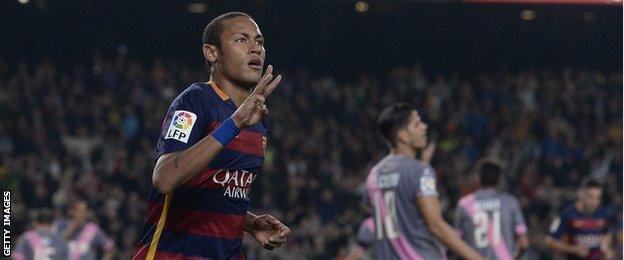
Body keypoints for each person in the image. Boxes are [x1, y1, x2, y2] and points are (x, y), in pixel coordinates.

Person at [132, 12, 290, 259]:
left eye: (259, 41)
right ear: (212, 52)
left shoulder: (258, 120)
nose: (255, 49)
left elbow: (215, 190)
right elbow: (164, 178)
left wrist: (248, 222)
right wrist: (234, 124)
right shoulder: (194, 102)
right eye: (241, 40)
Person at [364, 103, 483, 260]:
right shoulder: (420, 172)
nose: (424, 126)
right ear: (402, 136)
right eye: (417, 124)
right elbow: (435, 225)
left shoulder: (374, 175)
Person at [454, 160, 529, 260]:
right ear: (499, 180)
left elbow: (455, 243)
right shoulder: (510, 202)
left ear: (478, 179)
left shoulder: (464, 205)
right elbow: (524, 243)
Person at [546, 178, 619, 259]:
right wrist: (573, 249)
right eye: (590, 197)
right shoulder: (567, 215)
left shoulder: (604, 214)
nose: (594, 202)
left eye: (598, 198)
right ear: (581, 194)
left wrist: (607, 250)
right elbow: (550, 241)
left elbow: (606, 233)